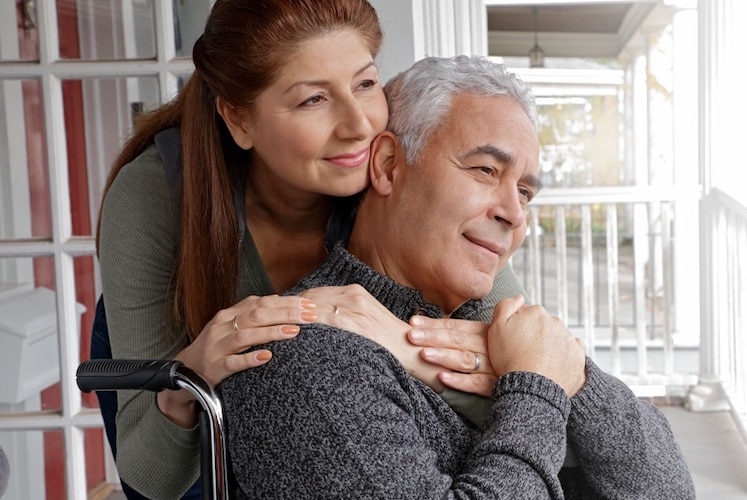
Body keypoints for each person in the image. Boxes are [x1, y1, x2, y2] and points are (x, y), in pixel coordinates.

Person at [95, 0, 523, 497]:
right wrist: (189, 378)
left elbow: (534, 368)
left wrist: (405, 348)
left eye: (365, 84)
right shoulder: (155, 195)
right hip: (184, 351)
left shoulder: (397, 163)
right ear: (239, 119)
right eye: (313, 100)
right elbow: (151, 481)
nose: (358, 126)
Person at [220, 55, 696, 499]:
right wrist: (537, 387)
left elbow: (671, 490)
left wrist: (577, 380)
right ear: (388, 165)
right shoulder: (307, 362)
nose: (514, 213)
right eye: (486, 170)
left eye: (526, 192)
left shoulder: (495, 329)